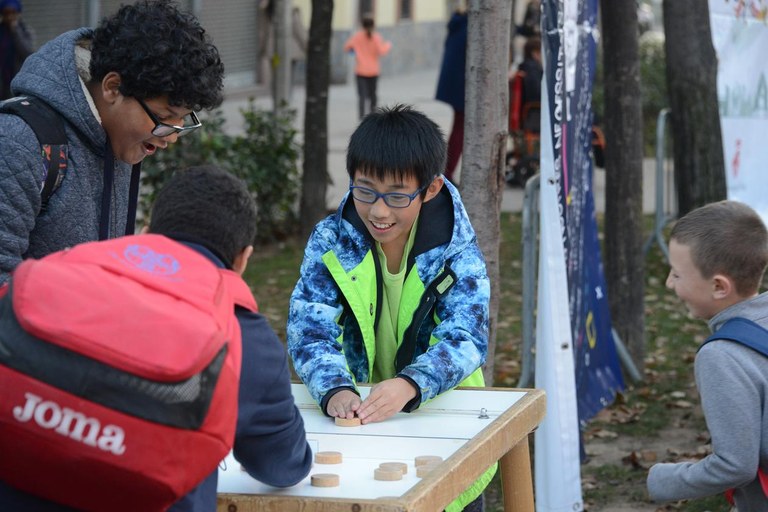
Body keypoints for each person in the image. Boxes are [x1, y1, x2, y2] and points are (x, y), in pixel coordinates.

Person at [0, 164, 314, 510]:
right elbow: (280, 465)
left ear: (146, 233)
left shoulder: (60, 271)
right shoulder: (244, 336)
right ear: (243, 260)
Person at [287, 104, 494, 512]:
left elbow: (466, 336)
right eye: (365, 191)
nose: (379, 211)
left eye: (397, 196)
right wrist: (334, 389)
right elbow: (309, 327)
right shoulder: (330, 241)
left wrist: (412, 384)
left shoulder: (457, 249)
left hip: (445, 416)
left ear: (430, 189)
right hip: (359, 422)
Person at [0, 0, 225, 285]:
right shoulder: (18, 143)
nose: (171, 137)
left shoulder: (117, 139)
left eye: (182, 121)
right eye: (164, 117)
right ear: (112, 88)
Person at [646, 200, 768, 511]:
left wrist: (662, 479)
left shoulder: (722, 356)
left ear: (718, 286)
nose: (668, 283)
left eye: (676, 274)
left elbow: (735, 465)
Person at [435, 7, 468, 184]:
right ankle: (447, 172)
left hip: (455, 83)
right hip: (460, 85)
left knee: (459, 127)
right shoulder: (471, 26)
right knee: (460, 129)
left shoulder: (459, 22)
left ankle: (447, 170)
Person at [343, 16, 391, 119]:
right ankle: (373, 116)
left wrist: (355, 53)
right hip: (373, 71)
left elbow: (347, 47)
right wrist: (388, 45)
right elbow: (381, 51)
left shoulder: (357, 37)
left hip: (360, 70)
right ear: (373, 26)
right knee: (373, 95)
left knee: (362, 96)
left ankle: (361, 117)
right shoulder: (376, 37)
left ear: (362, 25)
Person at [0, 0, 33, 100]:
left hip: (17, 77)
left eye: (13, 13)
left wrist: (15, 31)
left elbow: (27, 53)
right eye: (7, 13)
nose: (10, 17)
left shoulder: (25, 31)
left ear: (18, 13)